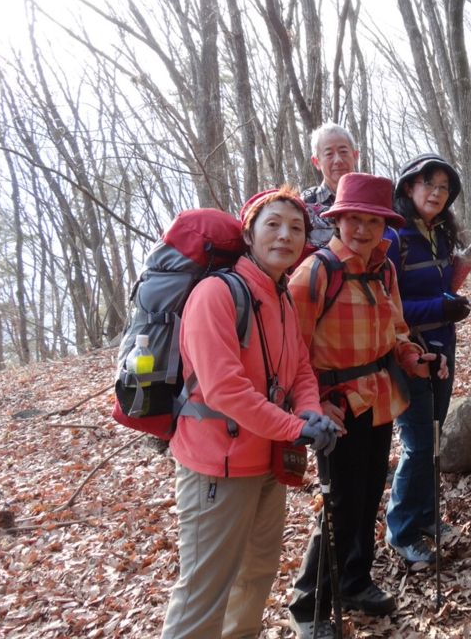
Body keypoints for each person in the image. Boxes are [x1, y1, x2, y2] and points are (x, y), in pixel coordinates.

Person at [161, 186, 338, 639]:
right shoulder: (215, 295)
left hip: (265, 460)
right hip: (216, 467)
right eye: (273, 224)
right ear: (249, 232)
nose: (286, 236)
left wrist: (311, 413)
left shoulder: (280, 297)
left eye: (296, 228)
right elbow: (225, 391)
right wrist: (295, 426)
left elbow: (299, 368)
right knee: (205, 590)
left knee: (256, 575)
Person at [286, 172, 447, 638]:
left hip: (378, 398)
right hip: (335, 406)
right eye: (353, 219)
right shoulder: (315, 273)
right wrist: (311, 405)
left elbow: (396, 330)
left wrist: (413, 357)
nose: (362, 229)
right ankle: (308, 605)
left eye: (372, 221)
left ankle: (355, 581)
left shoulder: (384, 268)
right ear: (337, 221)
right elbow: (291, 352)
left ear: (384, 226)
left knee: (368, 496)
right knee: (338, 504)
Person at [384, 153, 471, 564]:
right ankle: (400, 528)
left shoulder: (438, 233)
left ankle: (425, 513)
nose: (436, 194)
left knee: (434, 437)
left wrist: (451, 302)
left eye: (443, 189)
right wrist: (440, 308)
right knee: (418, 443)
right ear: (408, 188)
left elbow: (440, 284)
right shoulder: (393, 237)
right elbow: (389, 306)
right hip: (409, 353)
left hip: (442, 349)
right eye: (428, 185)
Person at [302, 122, 360, 248]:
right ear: (316, 162)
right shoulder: (305, 204)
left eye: (343, 152)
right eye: (329, 154)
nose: (338, 160)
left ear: (355, 156)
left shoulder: (371, 199)